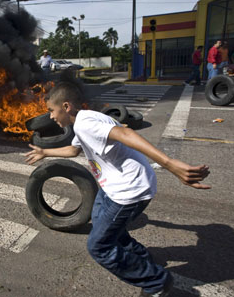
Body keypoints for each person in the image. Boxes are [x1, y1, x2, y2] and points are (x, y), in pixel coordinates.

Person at [25, 81, 210, 297]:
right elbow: (74, 150)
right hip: (111, 186)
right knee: (101, 219)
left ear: (66, 107)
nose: (51, 117)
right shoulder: (83, 120)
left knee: (99, 247)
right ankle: (141, 256)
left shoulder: (85, 123)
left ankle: (156, 282)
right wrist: (45, 153)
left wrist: (169, 163)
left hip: (128, 191)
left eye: (51, 111)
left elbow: (126, 134)